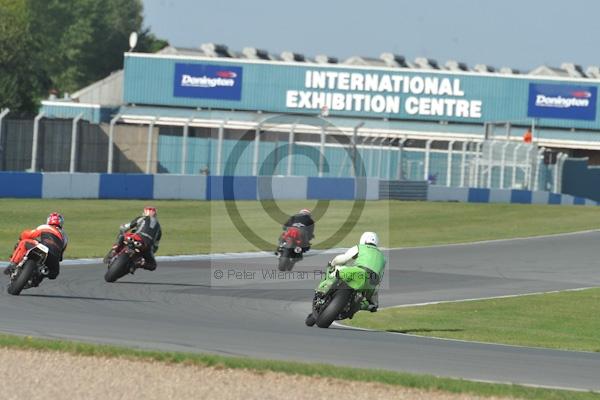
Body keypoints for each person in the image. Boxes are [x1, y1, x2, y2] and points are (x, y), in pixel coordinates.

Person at [306, 231, 386, 326]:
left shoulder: (360, 247)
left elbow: (343, 258)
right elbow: (380, 278)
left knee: (336, 270)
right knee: (370, 303)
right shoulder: (383, 257)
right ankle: (355, 306)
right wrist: (374, 303)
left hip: (357, 272)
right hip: (372, 281)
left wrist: (333, 263)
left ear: (363, 240)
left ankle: (321, 291)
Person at [4, 213, 68, 287]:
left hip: (41, 247)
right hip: (53, 256)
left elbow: (29, 234)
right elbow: (60, 256)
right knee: (53, 273)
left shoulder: (44, 227)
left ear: (48, 221)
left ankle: (13, 264)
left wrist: (20, 238)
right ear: (61, 223)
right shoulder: (65, 237)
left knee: (24, 242)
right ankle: (38, 277)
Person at [104, 206, 162, 271]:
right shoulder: (159, 229)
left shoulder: (142, 218)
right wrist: (149, 254)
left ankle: (113, 252)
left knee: (122, 236)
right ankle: (138, 264)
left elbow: (125, 228)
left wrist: (122, 228)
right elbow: (155, 247)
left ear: (145, 213)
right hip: (146, 246)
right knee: (153, 265)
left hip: (135, 237)